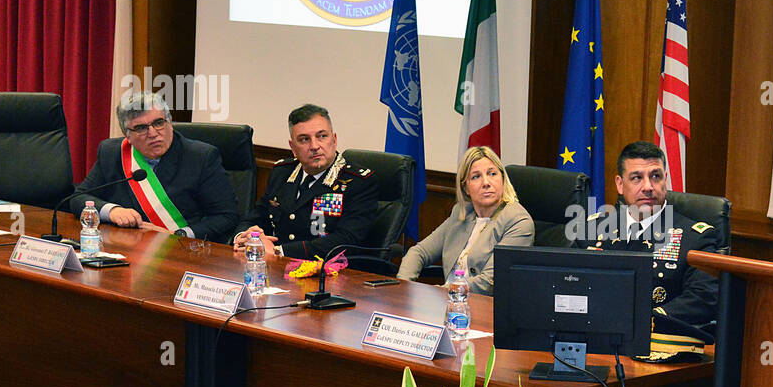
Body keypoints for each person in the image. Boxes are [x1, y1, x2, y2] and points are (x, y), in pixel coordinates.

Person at [579, 140, 723, 332]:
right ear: (620, 185)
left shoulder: (694, 237)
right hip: (594, 335)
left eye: (655, 176)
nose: (648, 186)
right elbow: (566, 282)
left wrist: (647, 320)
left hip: (657, 341)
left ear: (665, 180)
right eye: (636, 178)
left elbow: (704, 298)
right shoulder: (592, 230)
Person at [72, 92, 239, 242]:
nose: (153, 133)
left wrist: (178, 235)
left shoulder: (201, 157)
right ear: (127, 135)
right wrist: (112, 211)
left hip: (181, 252)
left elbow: (226, 216)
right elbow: (79, 197)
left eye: (158, 123)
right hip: (126, 250)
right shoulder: (113, 152)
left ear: (170, 122)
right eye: (141, 128)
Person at [233, 104, 378, 260]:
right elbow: (258, 216)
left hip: (327, 273)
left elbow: (346, 241)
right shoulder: (282, 172)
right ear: (293, 147)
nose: (315, 146)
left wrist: (279, 251)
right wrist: (245, 236)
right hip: (276, 268)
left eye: (322, 136)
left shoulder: (357, 182)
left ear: (334, 140)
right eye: (304, 139)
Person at [396, 145, 532, 295]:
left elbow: (490, 282)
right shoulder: (461, 213)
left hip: (484, 307)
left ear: (503, 179)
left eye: (492, 174)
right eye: (476, 176)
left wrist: (438, 293)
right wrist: (404, 286)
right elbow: (419, 252)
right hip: (449, 302)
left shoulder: (518, 221)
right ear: (466, 187)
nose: (486, 183)